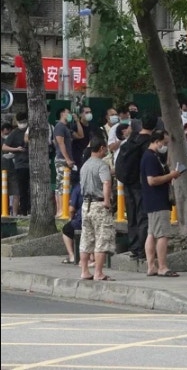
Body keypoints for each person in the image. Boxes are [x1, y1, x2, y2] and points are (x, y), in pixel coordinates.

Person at [140, 130, 182, 277]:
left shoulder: (152, 156)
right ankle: (162, 266)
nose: (165, 146)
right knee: (162, 234)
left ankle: (151, 266)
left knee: (152, 233)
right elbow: (152, 180)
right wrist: (171, 175)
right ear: (157, 141)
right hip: (157, 200)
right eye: (164, 143)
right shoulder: (150, 157)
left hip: (152, 200)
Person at [118, 113, 156, 260]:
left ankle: (134, 247)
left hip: (128, 183)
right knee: (143, 217)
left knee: (131, 215)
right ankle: (142, 249)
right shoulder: (148, 143)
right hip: (141, 185)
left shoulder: (132, 140)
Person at [78, 135, 114, 281]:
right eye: (105, 149)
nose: (106, 151)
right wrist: (107, 200)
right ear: (101, 148)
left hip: (86, 204)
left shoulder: (85, 165)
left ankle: (85, 271)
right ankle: (98, 272)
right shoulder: (102, 165)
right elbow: (106, 182)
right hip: (99, 204)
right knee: (101, 238)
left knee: (86, 238)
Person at [54, 107, 84, 218]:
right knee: (62, 185)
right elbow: (60, 143)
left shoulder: (67, 128)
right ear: (63, 114)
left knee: (64, 184)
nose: (70, 114)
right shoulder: (59, 127)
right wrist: (67, 159)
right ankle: (61, 210)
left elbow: (80, 135)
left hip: (67, 159)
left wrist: (77, 121)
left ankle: (62, 210)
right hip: (62, 159)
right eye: (68, 112)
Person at [3, 113, 30, 215]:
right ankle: (24, 211)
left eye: (24, 122)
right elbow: (4, 147)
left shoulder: (31, 130)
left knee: (32, 189)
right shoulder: (15, 133)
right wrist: (16, 149)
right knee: (22, 190)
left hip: (33, 164)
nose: (22, 124)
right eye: (20, 122)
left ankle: (31, 209)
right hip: (21, 164)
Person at [60, 179, 84, 264]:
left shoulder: (77, 188)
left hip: (81, 219)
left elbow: (71, 209)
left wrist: (71, 218)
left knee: (66, 229)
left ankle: (72, 256)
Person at [1, 121, 18, 215]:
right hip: (2, 169)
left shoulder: (12, 140)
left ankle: (14, 213)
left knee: (15, 192)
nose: (8, 135)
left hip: (12, 170)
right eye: (6, 133)